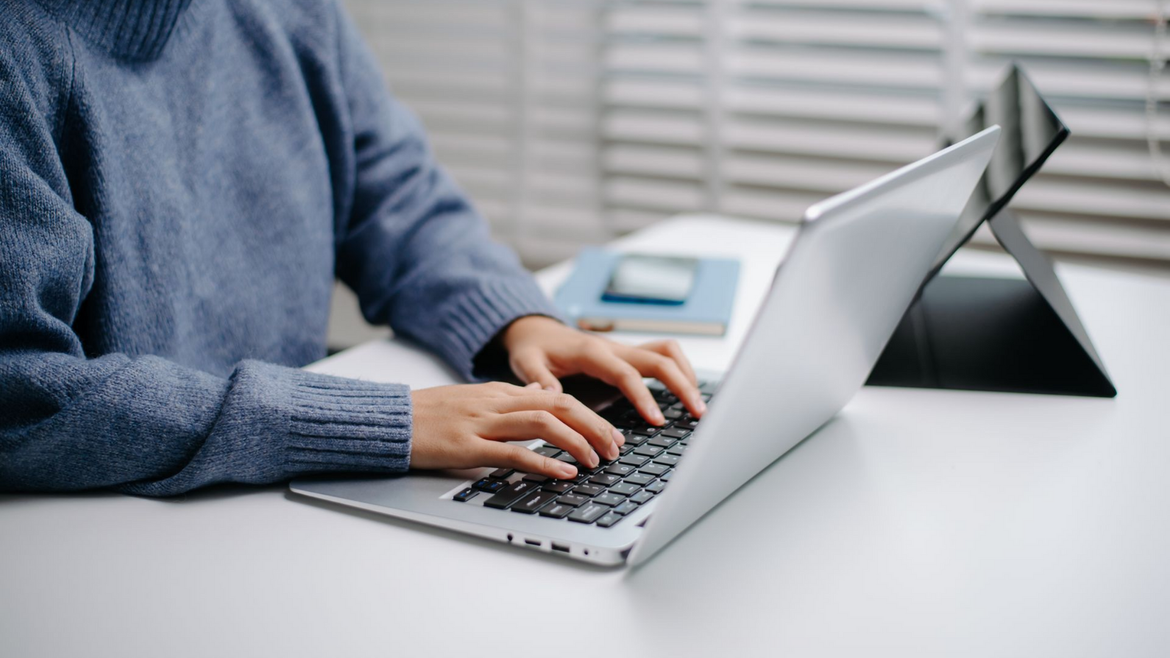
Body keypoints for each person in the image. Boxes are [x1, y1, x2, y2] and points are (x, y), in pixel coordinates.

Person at [0, 0, 705, 496]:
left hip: (278, 493)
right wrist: (381, 426)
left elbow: (398, 198)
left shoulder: (296, 12)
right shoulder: (19, 48)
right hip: (117, 537)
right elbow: (20, 392)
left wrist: (519, 323)